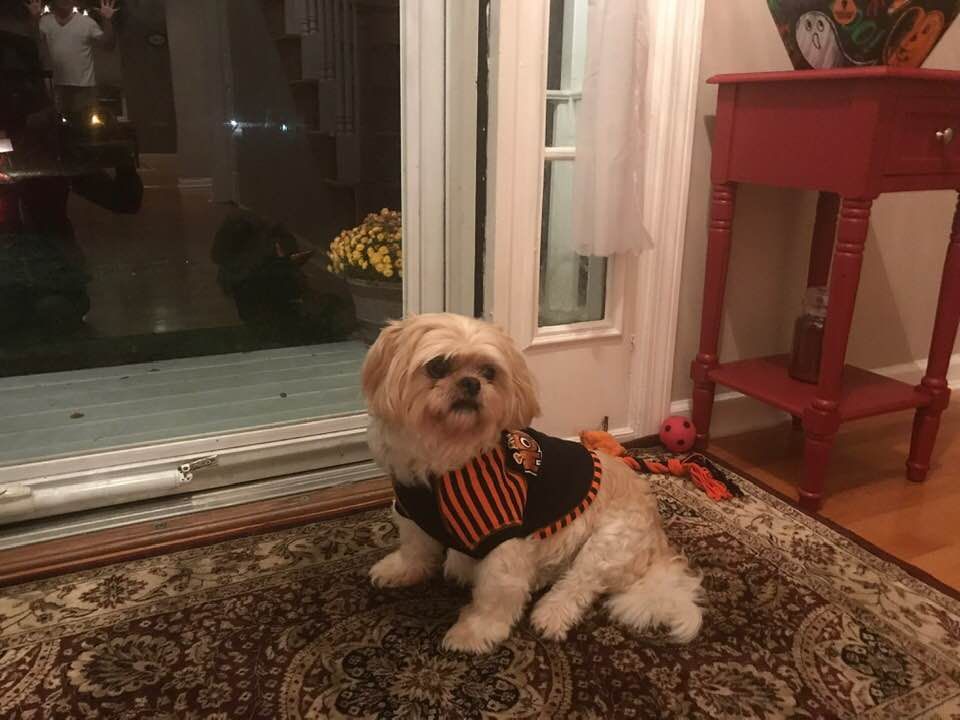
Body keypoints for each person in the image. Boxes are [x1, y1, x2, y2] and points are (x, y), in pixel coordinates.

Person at [25, 0, 117, 115]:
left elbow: (108, 45)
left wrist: (107, 20)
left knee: (86, 123)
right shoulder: (45, 21)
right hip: (58, 87)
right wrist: (34, 18)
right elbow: (32, 40)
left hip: (85, 88)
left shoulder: (86, 22)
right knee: (60, 123)